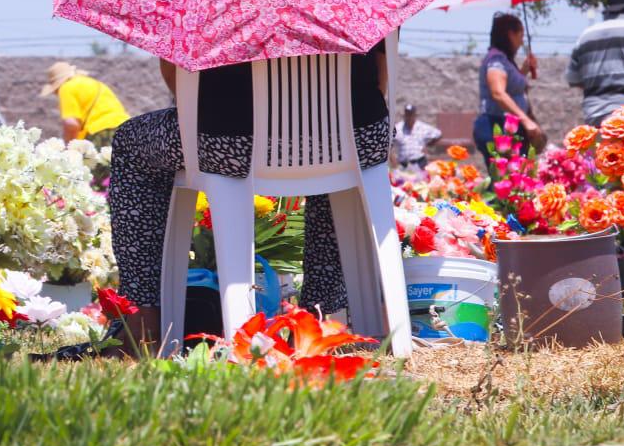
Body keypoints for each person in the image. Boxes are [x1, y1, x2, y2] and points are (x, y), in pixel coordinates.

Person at [108, 46, 394, 352]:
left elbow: (178, 77)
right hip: (356, 134)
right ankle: (320, 321)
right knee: (336, 177)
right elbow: (382, 74)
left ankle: (143, 322)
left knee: (130, 143)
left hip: (229, 137)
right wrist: (315, 121)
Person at [474, 13, 544, 159]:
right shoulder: (496, 59)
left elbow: (510, 86)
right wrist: (526, 120)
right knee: (505, 178)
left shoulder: (505, 60)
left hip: (509, 128)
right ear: (511, 34)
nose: (522, 41)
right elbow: (498, 93)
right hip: (498, 126)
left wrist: (524, 70)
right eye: (521, 35)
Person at [39, 62, 129, 151]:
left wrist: (70, 148)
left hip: (102, 133)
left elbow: (71, 124)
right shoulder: (94, 83)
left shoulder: (66, 87)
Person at [391, 104, 440, 169]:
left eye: (411, 114)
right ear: (404, 115)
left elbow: (438, 134)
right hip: (403, 163)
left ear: (415, 115)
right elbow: (388, 143)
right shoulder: (398, 128)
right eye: (407, 115)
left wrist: (428, 145)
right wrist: (392, 158)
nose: (409, 117)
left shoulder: (422, 127)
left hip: (419, 162)